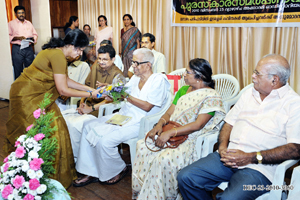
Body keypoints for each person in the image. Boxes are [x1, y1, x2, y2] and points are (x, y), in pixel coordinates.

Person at [177, 54, 300, 200]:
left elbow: (295, 149)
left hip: (260, 168)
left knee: (229, 199)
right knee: (186, 177)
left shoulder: (294, 104)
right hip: (228, 158)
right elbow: (228, 123)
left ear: (274, 80)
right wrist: (222, 147)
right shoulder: (249, 93)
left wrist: (251, 157)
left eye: (257, 73)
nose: (253, 76)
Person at [4, 29, 101, 189]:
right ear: (72, 45)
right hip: (27, 96)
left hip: (36, 95)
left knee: (58, 128)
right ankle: (35, 174)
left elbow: (66, 80)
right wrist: (90, 93)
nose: (79, 54)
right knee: (38, 133)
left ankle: (45, 173)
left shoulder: (57, 52)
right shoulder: (58, 56)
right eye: (79, 50)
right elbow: (63, 89)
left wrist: (90, 90)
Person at [72, 48, 171, 187]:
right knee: (88, 126)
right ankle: (91, 170)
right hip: (124, 115)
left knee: (105, 141)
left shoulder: (158, 80)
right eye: (132, 62)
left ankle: (117, 168)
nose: (133, 66)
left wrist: (126, 96)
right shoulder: (135, 79)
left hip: (141, 121)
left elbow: (148, 106)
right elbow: (122, 94)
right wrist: (109, 93)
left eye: (136, 63)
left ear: (148, 64)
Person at [132, 58, 226, 199]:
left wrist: (171, 133)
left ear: (199, 76)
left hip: (188, 138)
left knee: (164, 160)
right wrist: (159, 125)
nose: (184, 75)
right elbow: (170, 112)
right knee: (142, 146)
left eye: (188, 72)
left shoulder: (211, 96)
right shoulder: (183, 90)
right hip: (169, 131)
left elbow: (198, 125)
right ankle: (144, 193)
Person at [63, 45, 124, 162]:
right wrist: (82, 103)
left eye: (105, 59)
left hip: (102, 110)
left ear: (113, 59)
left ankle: (84, 160)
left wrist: (90, 109)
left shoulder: (118, 75)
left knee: (77, 124)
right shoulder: (95, 67)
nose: (101, 62)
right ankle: (73, 158)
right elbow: (86, 87)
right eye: (99, 58)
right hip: (88, 105)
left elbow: (114, 100)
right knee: (66, 120)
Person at [8, 5, 38, 80]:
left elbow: (35, 34)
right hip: (17, 49)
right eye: (19, 13)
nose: (21, 14)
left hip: (28, 48)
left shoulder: (29, 23)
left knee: (31, 68)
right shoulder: (11, 24)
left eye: (23, 13)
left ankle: (31, 86)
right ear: (15, 14)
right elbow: (7, 37)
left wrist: (33, 39)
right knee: (18, 69)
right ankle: (19, 88)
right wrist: (17, 38)